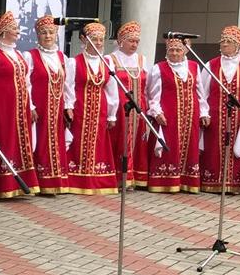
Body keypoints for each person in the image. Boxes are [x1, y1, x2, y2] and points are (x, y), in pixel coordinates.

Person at [0, 11, 40, 199]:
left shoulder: (17, 53)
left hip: (20, 107)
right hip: (2, 107)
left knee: (20, 142)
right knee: (5, 141)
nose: (17, 32)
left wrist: (31, 107)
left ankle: (20, 183)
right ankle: (2, 186)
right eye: (14, 28)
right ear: (4, 31)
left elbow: (27, 81)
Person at [144, 36, 206, 193]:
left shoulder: (193, 66)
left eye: (178, 50)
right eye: (171, 50)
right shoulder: (159, 68)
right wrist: (156, 112)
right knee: (169, 147)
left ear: (185, 51)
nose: (175, 53)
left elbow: (200, 92)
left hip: (190, 114)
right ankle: (165, 180)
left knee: (190, 146)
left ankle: (186, 180)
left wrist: (204, 112)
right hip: (169, 115)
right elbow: (152, 94)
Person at [64, 22, 119, 194]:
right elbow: (68, 86)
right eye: (94, 39)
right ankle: (76, 179)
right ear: (85, 40)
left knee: (98, 141)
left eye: (101, 40)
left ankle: (96, 178)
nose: (98, 43)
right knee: (79, 140)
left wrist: (112, 114)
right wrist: (68, 106)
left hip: (100, 109)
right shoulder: (74, 62)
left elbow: (112, 89)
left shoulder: (107, 62)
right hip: (81, 107)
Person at [198, 25, 240, 193]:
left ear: (238, 45)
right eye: (223, 41)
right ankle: (212, 182)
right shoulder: (211, 65)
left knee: (239, 151)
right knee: (213, 150)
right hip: (216, 117)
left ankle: (236, 184)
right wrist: (204, 113)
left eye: (229, 41)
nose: (224, 44)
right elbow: (201, 92)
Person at [28, 15, 69, 195]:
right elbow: (25, 83)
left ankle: (55, 180)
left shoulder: (62, 57)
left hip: (57, 106)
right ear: (38, 35)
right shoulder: (30, 56)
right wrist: (30, 106)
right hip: (40, 106)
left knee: (56, 140)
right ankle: (40, 182)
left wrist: (68, 105)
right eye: (43, 33)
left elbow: (68, 84)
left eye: (51, 32)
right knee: (40, 140)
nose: (47, 36)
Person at [107, 22, 150, 187]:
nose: (134, 44)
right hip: (120, 109)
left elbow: (148, 85)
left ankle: (135, 178)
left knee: (138, 141)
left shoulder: (142, 59)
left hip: (139, 108)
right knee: (121, 141)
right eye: (131, 41)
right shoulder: (111, 59)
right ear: (121, 41)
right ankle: (120, 177)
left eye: (137, 41)